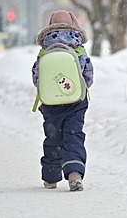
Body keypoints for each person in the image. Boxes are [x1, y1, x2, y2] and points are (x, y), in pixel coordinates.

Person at [31, 10, 94, 191]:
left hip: (51, 104)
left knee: (53, 137)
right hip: (76, 102)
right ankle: (74, 174)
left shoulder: (45, 51)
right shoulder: (78, 48)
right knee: (73, 136)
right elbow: (88, 76)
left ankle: (50, 177)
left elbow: (37, 77)